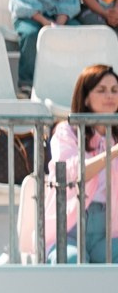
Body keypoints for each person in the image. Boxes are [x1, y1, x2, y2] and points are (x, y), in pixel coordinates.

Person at [46, 63, 118, 262]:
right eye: (101, 90)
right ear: (85, 97)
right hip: (69, 229)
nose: (110, 96)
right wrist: (113, 152)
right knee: (72, 261)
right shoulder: (66, 132)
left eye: (115, 90)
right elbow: (71, 172)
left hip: (107, 232)